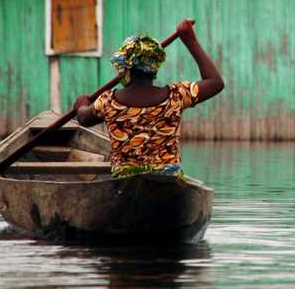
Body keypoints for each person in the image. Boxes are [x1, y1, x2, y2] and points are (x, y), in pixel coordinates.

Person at [74, 19, 224, 178]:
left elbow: (83, 118)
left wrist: (81, 102)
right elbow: (215, 82)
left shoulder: (108, 101)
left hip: (125, 178)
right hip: (168, 177)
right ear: (154, 68)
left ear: (125, 68)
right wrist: (190, 41)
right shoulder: (176, 95)